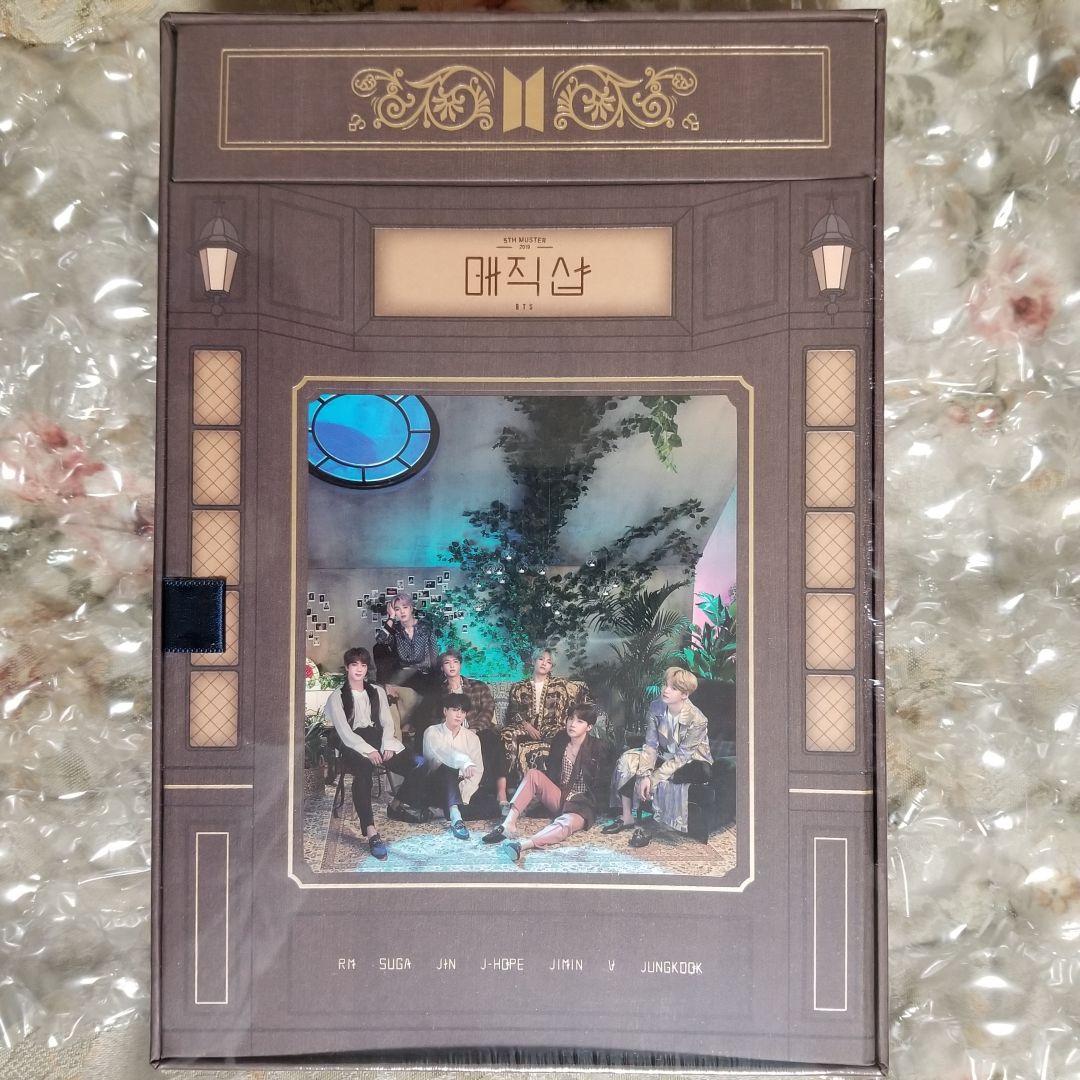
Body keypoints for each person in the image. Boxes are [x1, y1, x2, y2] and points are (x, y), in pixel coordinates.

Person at [322, 647, 424, 861]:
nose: (359, 669)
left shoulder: (377, 691)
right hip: (351, 743)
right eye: (354, 665)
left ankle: (395, 806)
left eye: (363, 665)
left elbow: (387, 722)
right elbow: (344, 732)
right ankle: (371, 832)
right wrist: (368, 751)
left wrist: (387, 743)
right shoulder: (337, 697)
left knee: (418, 763)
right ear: (347, 667)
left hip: (377, 737)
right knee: (363, 773)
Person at [482, 704, 610, 863]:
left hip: (583, 805)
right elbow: (551, 771)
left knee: (566, 823)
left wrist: (597, 808)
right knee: (533, 774)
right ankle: (509, 824)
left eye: (579, 721)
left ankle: (523, 845)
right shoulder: (561, 739)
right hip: (561, 795)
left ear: (589, 727)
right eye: (570, 719)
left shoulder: (598, 747)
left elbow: (603, 784)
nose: (572, 724)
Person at [603, 667, 713, 848]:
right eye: (665, 685)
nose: (665, 690)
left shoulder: (698, 719)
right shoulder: (656, 707)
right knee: (628, 759)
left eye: (673, 688)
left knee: (687, 772)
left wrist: (652, 779)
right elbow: (651, 745)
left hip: (691, 761)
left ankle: (662, 817)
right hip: (664, 755)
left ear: (685, 694)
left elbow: (681, 757)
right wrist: (644, 774)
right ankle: (627, 816)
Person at [396, 693, 484, 840]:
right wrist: (465, 762)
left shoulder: (472, 738)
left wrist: (464, 795)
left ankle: (440, 811)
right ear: (445, 711)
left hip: (459, 788)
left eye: (463, 712)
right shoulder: (432, 732)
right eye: (455, 710)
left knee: (491, 807)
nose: (459, 715)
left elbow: (478, 770)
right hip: (433, 785)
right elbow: (444, 753)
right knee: (448, 768)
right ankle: (455, 816)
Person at [437, 649, 510, 812]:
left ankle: (501, 794)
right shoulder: (439, 692)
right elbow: (438, 716)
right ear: (442, 668)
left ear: (460, 665)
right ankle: (470, 795)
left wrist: (475, 729)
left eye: (455, 662)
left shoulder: (478, 686)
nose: (452, 666)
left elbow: (488, 710)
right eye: (447, 663)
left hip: (478, 730)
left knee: (493, 740)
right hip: (453, 734)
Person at [499, 648, 582, 786]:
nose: (544, 663)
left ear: (551, 667)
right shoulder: (519, 686)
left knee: (563, 736)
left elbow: (576, 701)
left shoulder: (560, 685)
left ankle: (555, 782)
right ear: (533, 661)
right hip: (524, 728)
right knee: (506, 734)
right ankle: (508, 783)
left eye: (548, 662)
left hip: (551, 728)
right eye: (541, 659)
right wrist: (526, 725)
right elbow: (513, 712)